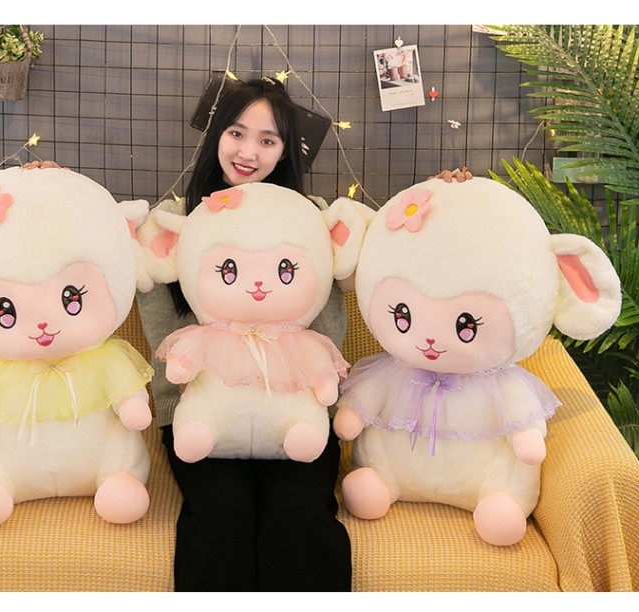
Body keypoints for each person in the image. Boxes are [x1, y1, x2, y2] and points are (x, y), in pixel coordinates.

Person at [137, 76, 470, 592]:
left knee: (299, 512)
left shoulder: (313, 217)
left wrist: (445, 202)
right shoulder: (177, 220)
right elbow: (105, 252)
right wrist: (42, 190)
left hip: (298, 410)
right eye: (236, 133)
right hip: (206, 410)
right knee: (222, 511)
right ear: (216, 135)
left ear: (286, 149)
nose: (248, 152)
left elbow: (391, 251)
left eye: (267, 140)